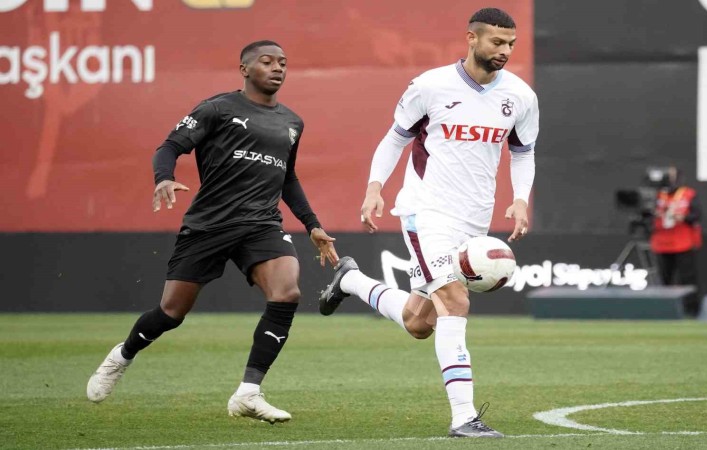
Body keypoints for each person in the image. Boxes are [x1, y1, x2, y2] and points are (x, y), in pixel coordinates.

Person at [86, 40, 339, 423]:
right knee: (171, 313)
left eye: (283, 63)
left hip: (262, 224)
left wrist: (313, 225)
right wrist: (164, 177)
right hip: (211, 224)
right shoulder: (217, 108)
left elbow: (287, 178)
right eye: (267, 62)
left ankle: (248, 392)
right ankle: (122, 355)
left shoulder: (292, 122)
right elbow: (169, 147)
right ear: (244, 69)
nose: (277, 68)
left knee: (287, 292)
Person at [318, 8, 538, 438]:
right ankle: (464, 418)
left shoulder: (521, 96)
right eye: (496, 42)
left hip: (475, 222)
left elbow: (523, 152)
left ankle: (351, 280)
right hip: (427, 212)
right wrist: (374, 187)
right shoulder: (430, 86)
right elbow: (395, 138)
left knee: (420, 323)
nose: (505, 51)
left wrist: (520, 200)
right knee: (455, 302)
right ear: (471, 38)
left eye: (511, 44)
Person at [650, 166, 702, 317]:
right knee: (664, 278)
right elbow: (647, 215)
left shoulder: (688, 194)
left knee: (687, 278)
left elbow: (697, 216)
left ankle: (692, 310)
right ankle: (663, 310)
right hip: (662, 243)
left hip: (683, 243)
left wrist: (683, 217)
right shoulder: (657, 195)